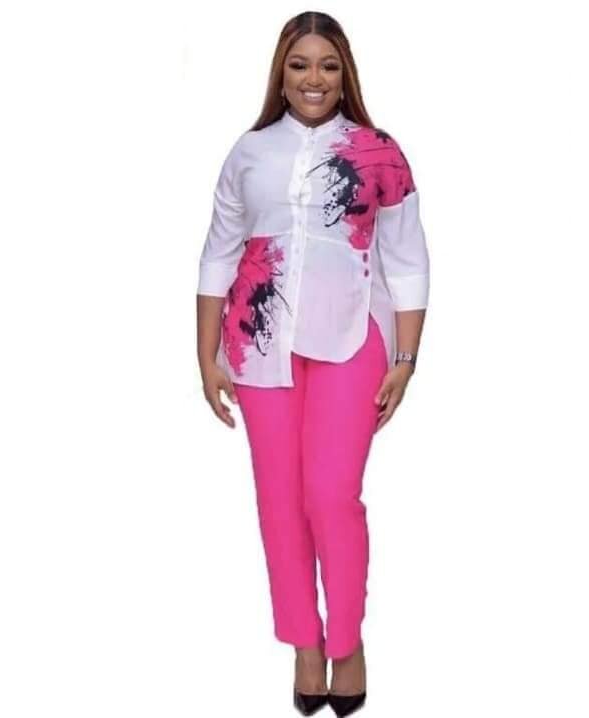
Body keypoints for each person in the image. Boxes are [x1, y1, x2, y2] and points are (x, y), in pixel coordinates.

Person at [196, 11, 429, 717]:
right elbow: (218, 251)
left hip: (352, 341)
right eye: (299, 65)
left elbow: (408, 260)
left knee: (330, 495)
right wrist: (204, 353)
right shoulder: (249, 152)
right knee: (280, 501)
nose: (313, 79)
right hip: (258, 344)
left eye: (327, 65)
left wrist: (407, 357)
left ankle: (347, 643)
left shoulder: (378, 153)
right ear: (281, 74)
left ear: (345, 73)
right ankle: (304, 641)